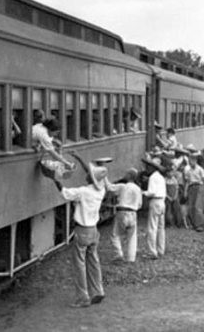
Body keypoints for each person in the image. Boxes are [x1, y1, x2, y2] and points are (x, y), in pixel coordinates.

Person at [60, 160, 109, 308]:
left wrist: (55, 179)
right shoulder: (101, 191)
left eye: (88, 174)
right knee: (94, 262)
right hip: (94, 230)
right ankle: (98, 290)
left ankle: (83, 297)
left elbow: (66, 194)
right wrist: (79, 159)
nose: (86, 175)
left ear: (90, 178)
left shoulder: (83, 191)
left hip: (82, 230)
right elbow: (91, 175)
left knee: (79, 265)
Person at [108, 168, 142, 263]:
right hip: (133, 213)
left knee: (115, 234)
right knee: (132, 236)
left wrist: (103, 176)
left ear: (129, 176)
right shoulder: (138, 189)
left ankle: (118, 253)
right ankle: (131, 258)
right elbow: (139, 204)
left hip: (122, 212)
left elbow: (109, 187)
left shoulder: (123, 186)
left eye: (126, 174)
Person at [32, 118, 75, 190]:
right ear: (51, 129)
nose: (56, 135)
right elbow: (52, 153)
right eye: (56, 133)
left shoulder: (41, 126)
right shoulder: (44, 135)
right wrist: (66, 163)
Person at [142, 157, 167, 258]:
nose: (147, 168)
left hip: (155, 201)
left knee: (152, 227)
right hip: (162, 202)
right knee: (161, 228)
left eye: (148, 167)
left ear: (152, 168)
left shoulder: (152, 177)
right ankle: (161, 249)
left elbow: (151, 192)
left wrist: (143, 192)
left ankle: (152, 251)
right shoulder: (160, 177)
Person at [183, 152, 204, 232]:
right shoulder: (188, 170)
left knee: (198, 206)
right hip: (191, 187)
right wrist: (185, 191)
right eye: (190, 160)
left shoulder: (200, 169)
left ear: (196, 160)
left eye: (193, 160)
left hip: (199, 186)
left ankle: (200, 224)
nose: (191, 162)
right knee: (191, 206)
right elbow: (187, 181)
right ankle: (194, 224)